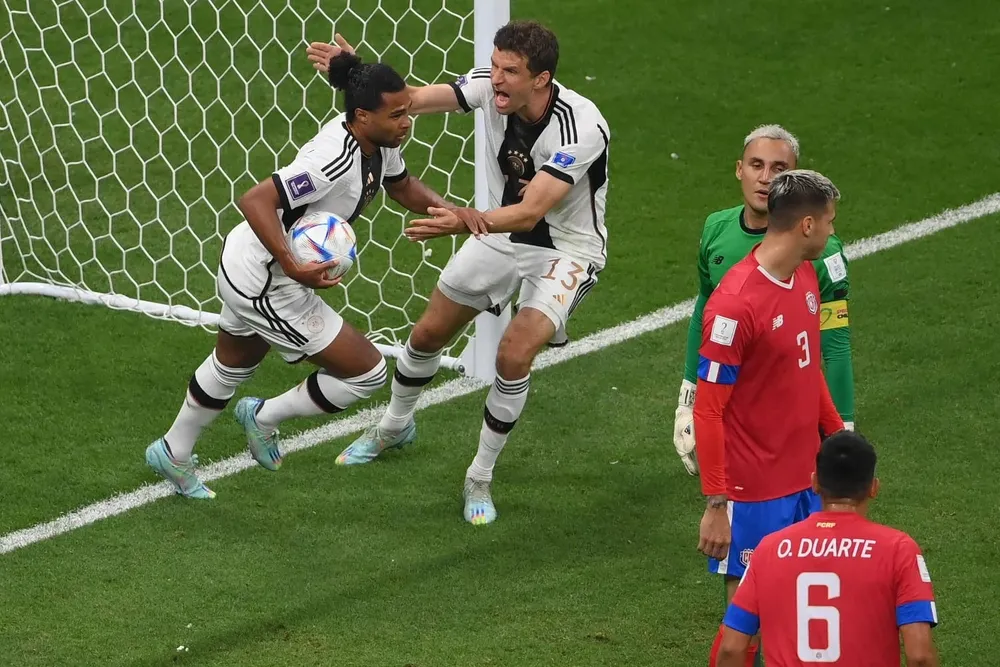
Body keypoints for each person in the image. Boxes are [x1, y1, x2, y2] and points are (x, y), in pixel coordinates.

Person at [307, 21, 611, 525]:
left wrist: (462, 222)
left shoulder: (581, 126)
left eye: (510, 71)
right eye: (494, 65)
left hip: (565, 250)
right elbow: (408, 100)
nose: (496, 79)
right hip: (496, 232)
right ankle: (393, 425)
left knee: (513, 354)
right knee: (427, 333)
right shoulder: (487, 89)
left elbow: (531, 211)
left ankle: (479, 475)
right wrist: (354, 73)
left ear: (542, 79)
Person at [144, 53, 485, 499]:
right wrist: (290, 263)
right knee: (366, 373)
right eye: (397, 113)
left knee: (234, 361)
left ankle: (173, 450)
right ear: (362, 116)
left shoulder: (380, 142)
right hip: (265, 277)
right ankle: (264, 417)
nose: (407, 121)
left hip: (250, 262)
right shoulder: (331, 160)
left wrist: (452, 213)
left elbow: (400, 185)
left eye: (407, 110)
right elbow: (255, 201)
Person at [693, 169, 846, 665]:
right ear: (805, 224)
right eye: (828, 222)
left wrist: (838, 439)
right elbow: (708, 408)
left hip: (806, 477)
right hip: (754, 493)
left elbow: (809, 368)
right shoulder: (736, 306)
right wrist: (716, 502)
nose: (831, 231)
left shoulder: (804, 273)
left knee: (801, 612)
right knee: (746, 624)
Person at [673, 125, 855, 476]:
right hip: (730, 398)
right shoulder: (716, 229)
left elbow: (833, 347)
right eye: (757, 165)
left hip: (788, 410)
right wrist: (688, 394)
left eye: (779, 169)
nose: (766, 178)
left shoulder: (819, 253)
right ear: (739, 169)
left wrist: (842, 429)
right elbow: (704, 310)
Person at [717, 432, 939, 667]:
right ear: (873, 488)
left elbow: (731, 648)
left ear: (814, 483)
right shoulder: (899, 550)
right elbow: (919, 656)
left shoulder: (768, 550)